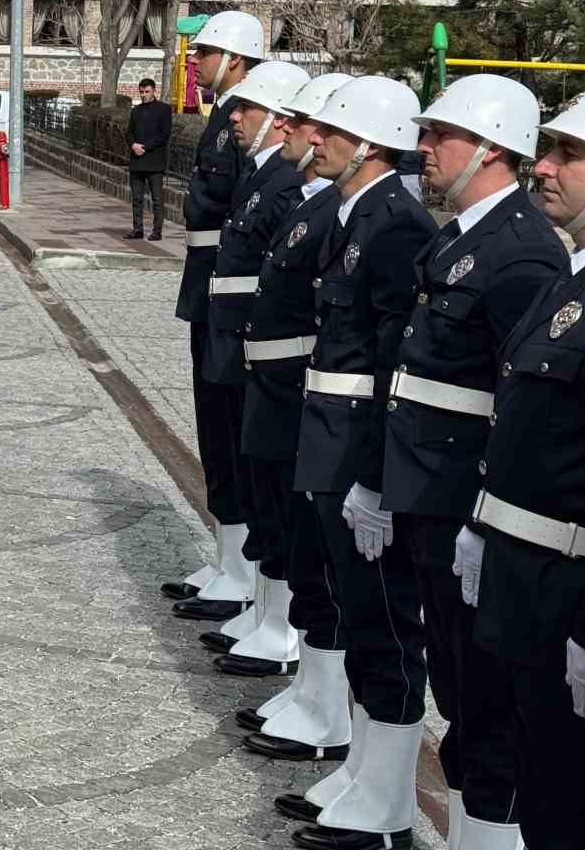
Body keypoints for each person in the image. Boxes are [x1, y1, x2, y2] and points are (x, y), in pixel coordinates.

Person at [365, 76, 562, 848]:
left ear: (490, 149)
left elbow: (522, 409)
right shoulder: (458, 237)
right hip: (427, 494)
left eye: (440, 137)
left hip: (465, 505)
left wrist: (485, 516)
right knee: (455, 684)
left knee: (484, 707)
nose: (424, 150)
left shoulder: (519, 255)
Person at [452, 82, 585, 848]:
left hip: (569, 594)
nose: (542, 167)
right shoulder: (570, 276)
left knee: (573, 806)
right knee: (533, 783)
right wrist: (483, 522)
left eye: (568, 154)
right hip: (522, 579)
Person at [286, 77, 437, 850]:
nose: (316, 143)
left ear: (368, 145)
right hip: (329, 433)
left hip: (356, 441)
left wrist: (377, 474)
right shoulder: (358, 217)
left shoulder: (395, 225)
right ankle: (364, 770)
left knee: (382, 619)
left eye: (331, 135)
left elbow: (390, 363)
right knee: (354, 606)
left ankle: (390, 802)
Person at [224, 76, 358, 787]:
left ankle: (324, 704)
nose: (299, 134)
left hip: (309, 400)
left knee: (322, 563)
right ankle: (308, 686)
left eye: (313, 124)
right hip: (279, 389)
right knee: (286, 533)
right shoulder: (314, 204)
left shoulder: (348, 214)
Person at [191, 61, 312, 656]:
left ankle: (278, 623)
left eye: (250, 109)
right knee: (245, 472)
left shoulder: (285, 185)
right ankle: (264, 609)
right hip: (235, 340)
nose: (234, 115)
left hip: (258, 353)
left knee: (265, 483)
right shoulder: (263, 177)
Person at [161, 10, 263, 613]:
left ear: (235, 57)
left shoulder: (243, 117)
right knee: (213, 426)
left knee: (227, 425)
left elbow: (224, 207)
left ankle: (244, 568)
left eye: (204, 53)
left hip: (228, 284)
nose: (194, 63)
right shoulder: (223, 114)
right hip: (208, 279)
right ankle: (228, 557)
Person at [125, 77, 172, 240]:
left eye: (147, 91)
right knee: (136, 198)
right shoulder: (135, 111)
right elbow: (129, 132)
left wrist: (144, 147)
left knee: (157, 199)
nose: (144, 95)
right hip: (137, 161)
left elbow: (164, 135)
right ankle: (137, 228)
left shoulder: (164, 109)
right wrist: (133, 145)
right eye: (141, 92)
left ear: (154, 91)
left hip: (154, 162)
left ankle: (157, 231)